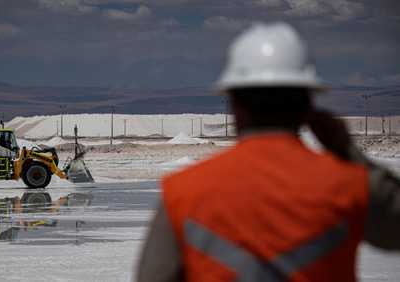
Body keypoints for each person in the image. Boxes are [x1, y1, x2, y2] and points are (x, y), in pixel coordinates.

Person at [137, 22, 400, 282]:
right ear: (308, 105)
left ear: (235, 104)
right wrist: (347, 151)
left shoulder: (183, 193)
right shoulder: (349, 185)